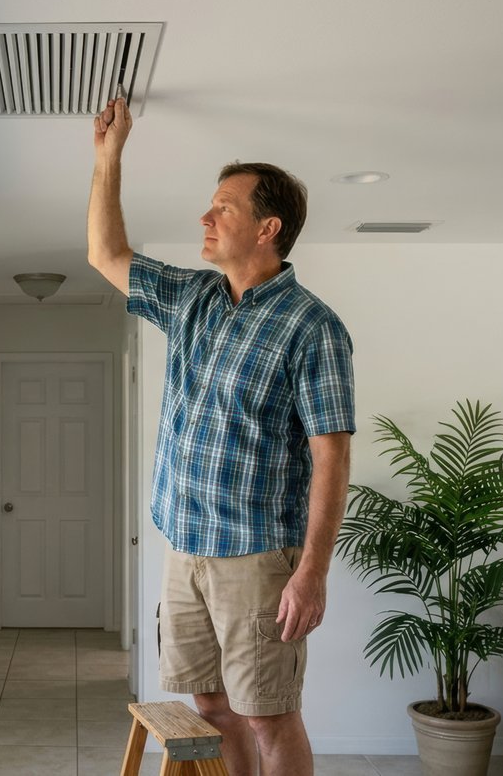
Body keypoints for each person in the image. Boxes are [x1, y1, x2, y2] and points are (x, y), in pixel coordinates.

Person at [87, 97, 354, 776]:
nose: (206, 218)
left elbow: (331, 455)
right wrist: (109, 155)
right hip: (186, 548)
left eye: (223, 208)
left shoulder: (311, 327)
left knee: (268, 715)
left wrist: (312, 573)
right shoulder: (192, 298)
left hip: (258, 558)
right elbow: (105, 252)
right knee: (211, 705)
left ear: (268, 228)